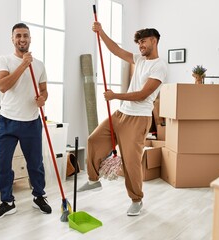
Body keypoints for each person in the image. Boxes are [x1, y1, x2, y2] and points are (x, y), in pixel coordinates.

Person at [78, 22, 167, 216]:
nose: (140, 46)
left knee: (131, 161)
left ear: (154, 40)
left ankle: (137, 200)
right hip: (120, 114)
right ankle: (94, 180)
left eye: (143, 41)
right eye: (138, 43)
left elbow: (143, 94)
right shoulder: (140, 60)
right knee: (94, 140)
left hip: (138, 119)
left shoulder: (159, 67)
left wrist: (115, 96)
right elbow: (116, 50)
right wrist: (101, 33)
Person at [0, 23, 52, 220]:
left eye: (25, 35)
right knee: (3, 165)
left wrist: (43, 98)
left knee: (35, 164)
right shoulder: (4, 60)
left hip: (32, 121)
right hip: (8, 120)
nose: (22, 39)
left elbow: (44, 91)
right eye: (18, 36)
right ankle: (7, 202)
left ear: (30, 38)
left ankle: (39, 196)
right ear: (12, 39)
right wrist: (23, 65)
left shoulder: (39, 64)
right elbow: (3, 86)